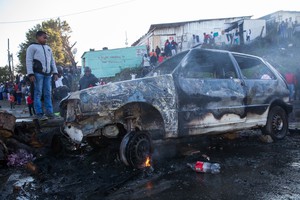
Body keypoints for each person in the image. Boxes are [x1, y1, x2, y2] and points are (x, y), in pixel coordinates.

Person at [26, 30, 58, 120]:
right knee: (38, 93)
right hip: (37, 74)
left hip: (48, 74)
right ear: (38, 37)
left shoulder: (48, 48)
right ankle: (39, 113)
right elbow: (28, 60)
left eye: (46, 37)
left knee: (48, 93)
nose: (46, 39)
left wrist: (55, 72)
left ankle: (49, 112)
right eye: (44, 37)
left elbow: (52, 61)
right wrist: (30, 74)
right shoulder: (32, 47)